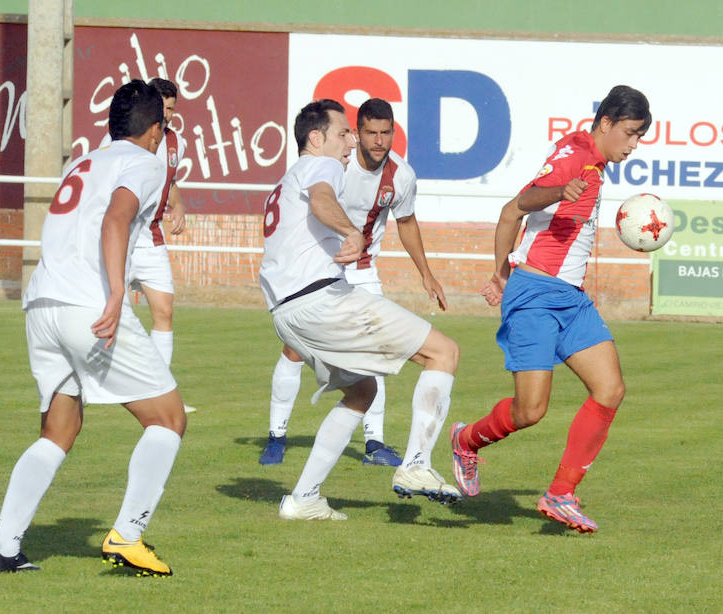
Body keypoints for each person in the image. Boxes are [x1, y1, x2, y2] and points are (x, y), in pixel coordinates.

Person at [0, 80, 186, 576]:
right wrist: (117, 292)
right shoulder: (145, 162)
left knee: (60, 427)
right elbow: (115, 220)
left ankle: (4, 549)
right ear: (156, 130)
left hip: (42, 304)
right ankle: (127, 536)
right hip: (86, 308)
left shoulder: (82, 162)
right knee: (168, 419)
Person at [449, 85, 652, 533]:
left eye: (640, 136)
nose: (635, 144)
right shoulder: (572, 152)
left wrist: (502, 273)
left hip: (571, 299)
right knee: (530, 412)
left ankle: (561, 494)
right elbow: (516, 207)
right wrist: (559, 191)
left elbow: (520, 217)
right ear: (605, 123)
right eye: (632, 133)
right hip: (536, 296)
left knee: (610, 389)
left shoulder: (596, 164)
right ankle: (465, 441)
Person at [259, 99, 462, 520]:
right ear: (315, 138)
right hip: (323, 299)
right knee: (444, 352)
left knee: (362, 391)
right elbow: (321, 200)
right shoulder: (325, 165)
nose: (350, 141)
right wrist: (351, 231)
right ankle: (417, 466)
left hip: (285, 313)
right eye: (342, 133)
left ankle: (303, 499)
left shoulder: (284, 180)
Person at [101, 78, 196, 414]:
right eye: (165, 109)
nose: (169, 115)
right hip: (124, 237)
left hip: (152, 237)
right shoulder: (121, 141)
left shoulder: (176, 144)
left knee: (164, 311)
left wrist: (179, 204)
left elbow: (170, 182)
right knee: (109, 309)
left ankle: (158, 386)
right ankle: (107, 382)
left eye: (172, 109)